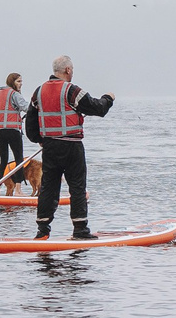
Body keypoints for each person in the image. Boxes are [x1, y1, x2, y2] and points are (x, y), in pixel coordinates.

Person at [27, 53, 115, 241]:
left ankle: (42, 229)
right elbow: (97, 108)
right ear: (67, 70)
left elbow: (30, 125)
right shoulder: (71, 91)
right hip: (72, 147)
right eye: (72, 69)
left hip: (50, 147)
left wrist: (39, 140)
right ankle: (80, 230)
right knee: (77, 187)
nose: (72, 72)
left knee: (48, 187)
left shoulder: (38, 92)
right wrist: (108, 98)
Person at [0, 72, 30, 188]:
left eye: (21, 81)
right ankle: (18, 190)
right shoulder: (14, 94)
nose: (21, 84)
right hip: (12, 131)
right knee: (19, 160)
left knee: (3, 161)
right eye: (18, 81)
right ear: (12, 82)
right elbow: (27, 108)